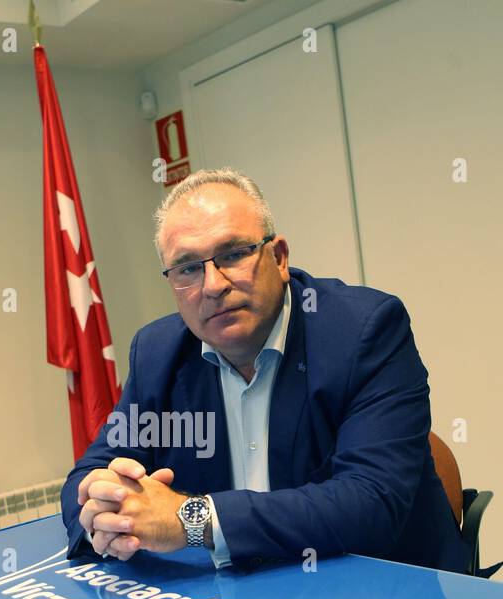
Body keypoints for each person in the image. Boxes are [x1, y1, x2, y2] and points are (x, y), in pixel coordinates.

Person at [59, 167, 467, 574]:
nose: (213, 285)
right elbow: (90, 472)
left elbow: (371, 502)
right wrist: (106, 506)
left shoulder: (364, 331)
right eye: (187, 268)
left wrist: (192, 520)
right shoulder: (157, 352)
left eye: (234, 254)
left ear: (279, 257)